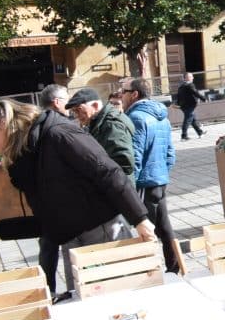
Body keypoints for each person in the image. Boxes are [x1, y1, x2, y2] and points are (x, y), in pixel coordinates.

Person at [0, 101, 153, 296]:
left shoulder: (58, 134)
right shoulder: (28, 151)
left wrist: (139, 218)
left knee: (119, 295)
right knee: (81, 298)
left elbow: (107, 172)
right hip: (71, 238)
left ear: (3, 124)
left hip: (102, 231)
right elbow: (48, 215)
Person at [120, 79, 178, 273]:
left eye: (123, 92)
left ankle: (150, 272)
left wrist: (129, 188)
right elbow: (170, 153)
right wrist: (162, 174)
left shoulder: (136, 117)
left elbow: (134, 157)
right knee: (164, 226)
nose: (121, 95)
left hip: (144, 182)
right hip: (159, 180)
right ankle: (174, 267)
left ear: (134, 94)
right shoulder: (161, 116)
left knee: (145, 229)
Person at [65, 87, 135, 178]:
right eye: (74, 111)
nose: (77, 115)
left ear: (95, 105)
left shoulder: (111, 123)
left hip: (117, 183)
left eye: (79, 110)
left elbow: (124, 163)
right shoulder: (98, 122)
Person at [173, 72, 207, 140]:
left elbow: (178, 96)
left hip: (183, 106)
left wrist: (179, 104)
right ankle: (184, 136)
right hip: (189, 106)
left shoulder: (181, 86)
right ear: (186, 78)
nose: (192, 78)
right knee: (187, 120)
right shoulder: (190, 85)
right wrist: (203, 98)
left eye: (192, 76)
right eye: (191, 76)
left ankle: (200, 132)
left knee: (193, 120)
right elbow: (195, 92)